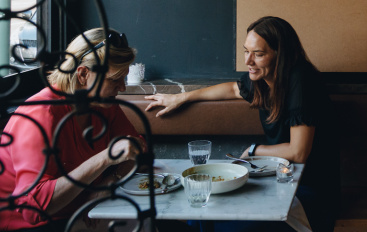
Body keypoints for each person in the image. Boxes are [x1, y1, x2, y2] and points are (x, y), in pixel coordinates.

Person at [145, 16, 339, 232]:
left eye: (259, 54)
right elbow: (232, 89)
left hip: (309, 191)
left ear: (280, 55)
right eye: (246, 51)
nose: (248, 61)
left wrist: (255, 150)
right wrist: (181, 97)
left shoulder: (301, 79)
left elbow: (298, 152)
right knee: (204, 212)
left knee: (222, 225)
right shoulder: (263, 79)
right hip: (277, 178)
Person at [0, 28, 145, 232]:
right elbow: (33, 209)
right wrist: (106, 158)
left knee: (146, 222)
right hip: (27, 225)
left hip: (81, 214)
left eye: (124, 78)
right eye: (115, 79)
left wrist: (109, 181)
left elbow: (139, 151)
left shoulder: (103, 104)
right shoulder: (40, 113)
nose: (122, 87)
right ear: (83, 74)